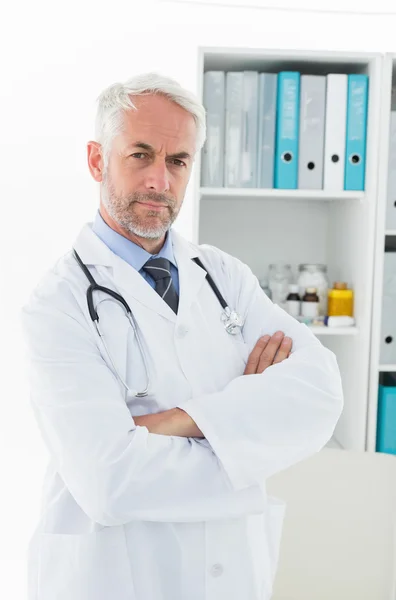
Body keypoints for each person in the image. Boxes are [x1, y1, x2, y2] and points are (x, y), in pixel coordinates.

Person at [21, 72, 343, 600]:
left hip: (233, 575)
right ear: (97, 160)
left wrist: (178, 421)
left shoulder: (224, 277)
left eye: (177, 161)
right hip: (116, 577)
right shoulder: (57, 304)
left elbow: (321, 393)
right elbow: (110, 481)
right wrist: (248, 439)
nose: (159, 181)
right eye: (140, 155)